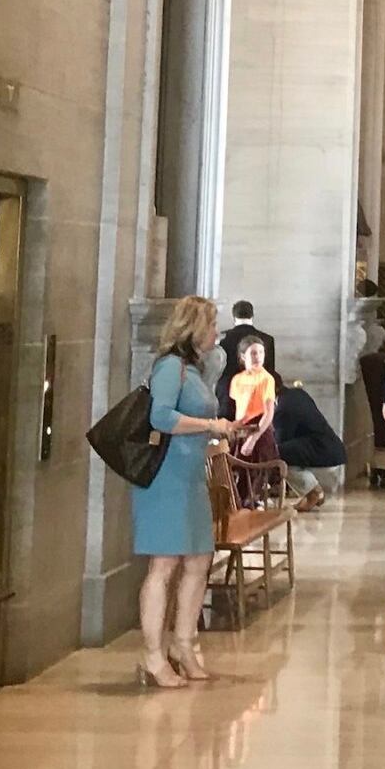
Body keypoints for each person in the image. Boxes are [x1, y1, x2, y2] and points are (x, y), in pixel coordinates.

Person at [130, 295, 238, 688]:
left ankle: (183, 644)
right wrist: (210, 426)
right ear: (194, 328)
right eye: (212, 325)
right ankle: (152, 655)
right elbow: (161, 416)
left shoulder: (193, 370)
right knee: (163, 565)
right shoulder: (170, 367)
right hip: (165, 479)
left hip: (190, 477)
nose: (216, 332)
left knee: (198, 560)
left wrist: (219, 432)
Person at [273, 379, 346, 509]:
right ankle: (314, 493)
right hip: (333, 451)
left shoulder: (283, 408)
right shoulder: (297, 394)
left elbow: (280, 440)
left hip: (322, 453)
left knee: (277, 454)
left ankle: (313, 492)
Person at [226, 335, 282, 499]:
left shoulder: (266, 379)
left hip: (259, 430)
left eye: (261, 352)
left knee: (254, 478)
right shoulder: (237, 380)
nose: (258, 357)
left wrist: (253, 438)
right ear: (243, 356)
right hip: (242, 430)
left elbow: (268, 412)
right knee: (237, 476)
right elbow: (240, 410)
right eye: (253, 353)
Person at [215, 299, 277, 418]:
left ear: (234, 316)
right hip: (257, 398)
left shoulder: (222, 339)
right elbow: (270, 371)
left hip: (227, 395)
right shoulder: (267, 339)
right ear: (252, 315)